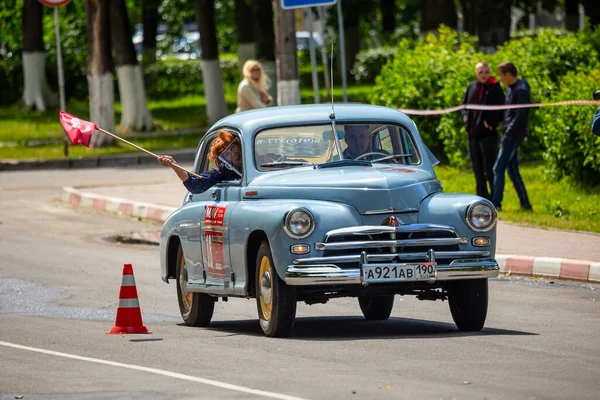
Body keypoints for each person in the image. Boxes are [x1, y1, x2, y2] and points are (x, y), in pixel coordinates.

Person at [492, 62, 532, 211]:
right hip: (510, 134)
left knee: (498, 168)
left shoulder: (521, 90)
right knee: (513, 170)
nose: (500, 78)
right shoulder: (511, 88)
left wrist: (508, 132)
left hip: (512, 136)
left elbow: (521, 115)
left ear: (508, 74)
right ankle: (525, 204)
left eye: (501, 75)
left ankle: (496, 204)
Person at [462, 62, 505, 201]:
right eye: (481, 72)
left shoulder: (495, 87)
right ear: (476, 73)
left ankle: (494, 196)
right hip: (472, 133)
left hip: (488, 134)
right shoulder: (471, 86)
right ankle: (481, 196)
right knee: (477, 166)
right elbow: (464, 105)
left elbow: (503, 109)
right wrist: (465, 117)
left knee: (490, 167)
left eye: (487, 72)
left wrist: (491, 123)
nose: (484, 75)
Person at [158, 130, 242, 194]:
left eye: (233, 147)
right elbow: (196, 185)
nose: (233, 154)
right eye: (226, 154)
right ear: (222, 159)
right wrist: (174, 164)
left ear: (240, 145)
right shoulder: (224, 170)